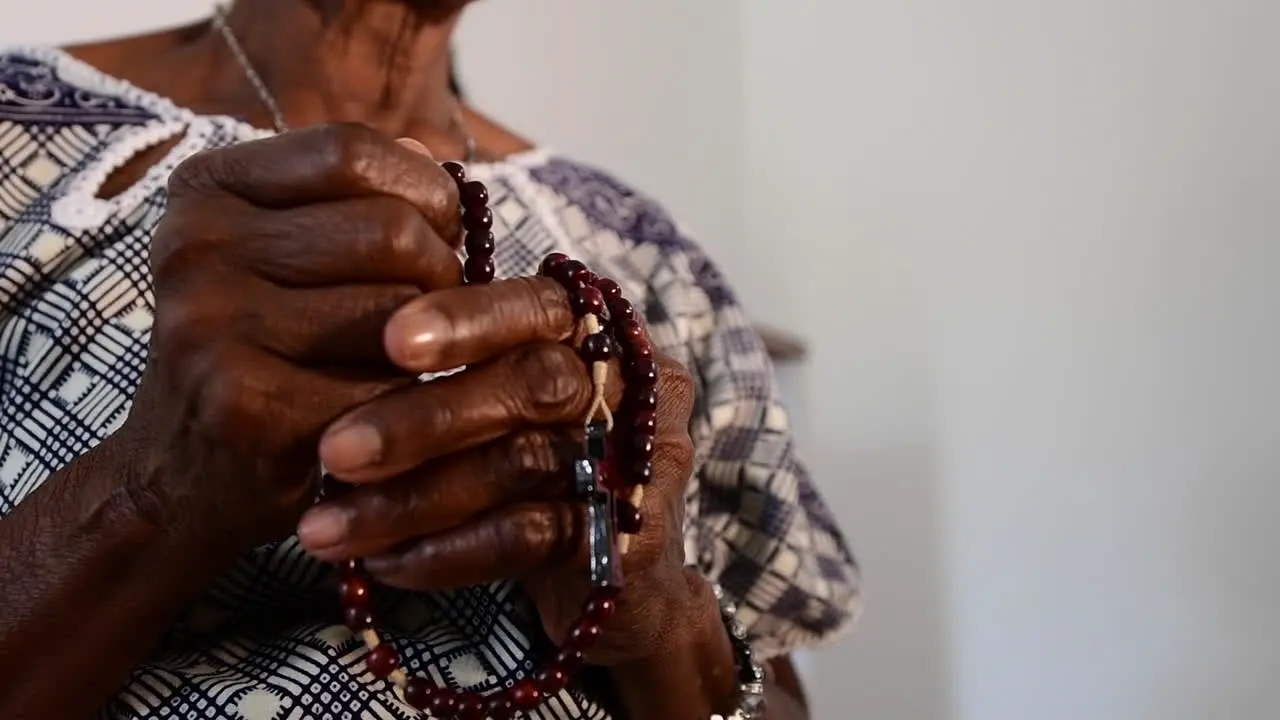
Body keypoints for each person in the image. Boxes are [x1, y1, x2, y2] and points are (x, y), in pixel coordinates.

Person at [0, 2, 860, 719]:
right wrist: (152, 491)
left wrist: (660, 622)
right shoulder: (23, 136)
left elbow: (771, 695)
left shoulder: (635, 247)